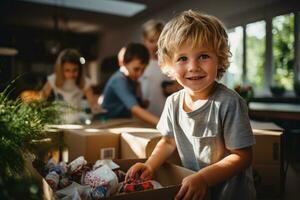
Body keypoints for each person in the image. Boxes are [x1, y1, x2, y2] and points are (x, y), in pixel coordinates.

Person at [126, 10, 256, 200]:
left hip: (231, 193)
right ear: (169, 65)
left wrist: (203, 178)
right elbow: (168, 141)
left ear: (219, 58)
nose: (193, 66)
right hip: (196, 189)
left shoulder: (230, 102)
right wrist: (150, 165)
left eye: (203, 56)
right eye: (182, 58)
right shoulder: (172, 102)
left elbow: (242, 156)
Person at [101, 43, 159, 126]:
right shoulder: (119, 80)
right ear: (123, 63)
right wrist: (162, 124)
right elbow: (135, 109)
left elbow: (140, 106)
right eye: (136, 69)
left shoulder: (131, 80)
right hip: (108, 123)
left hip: (122, 122)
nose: (140, 74)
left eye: (143, 70)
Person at [40, 48, 100, 123]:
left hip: (76, 122)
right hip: (58, 122)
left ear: (80, 69)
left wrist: (96, 108)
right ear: (60, 69)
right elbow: (41, 99)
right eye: (67, 70)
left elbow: (92, 103)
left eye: (75, 70)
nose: (71, 74)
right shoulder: (53, 80)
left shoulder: (84, 82)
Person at [140, 19, 181, 117]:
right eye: (151, 41)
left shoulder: (170, 62)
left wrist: (176, 87)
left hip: (167, 115)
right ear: (144, 41)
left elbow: (180, 84)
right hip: (144, 116)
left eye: (159, 41)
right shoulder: (139, 65)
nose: (156, 45)